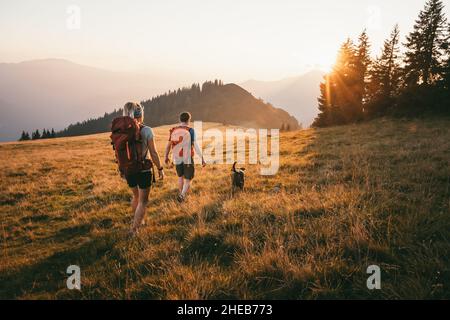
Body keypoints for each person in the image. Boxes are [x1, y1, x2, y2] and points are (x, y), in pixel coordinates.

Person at [123, 102, 164, 235]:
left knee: (136, 196)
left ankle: (136, 220)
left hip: (128, 170)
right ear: (141, 114)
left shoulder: (121, 130)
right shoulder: (146, 130)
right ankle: (134, 230)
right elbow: (153, 153)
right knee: (143, 201)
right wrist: (160, 168)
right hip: (143, 170)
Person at [164, 111, 205, 202]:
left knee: (180, 177)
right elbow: (196, 145)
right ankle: (182, 195)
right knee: (187, 179)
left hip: (177, 157)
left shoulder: (173, 130)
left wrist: (166, 157)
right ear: (189, 120)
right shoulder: (190, 130)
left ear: (180, 119)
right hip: (187, 157)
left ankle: (181, 194)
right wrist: (202, 158)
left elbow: (168, 146)